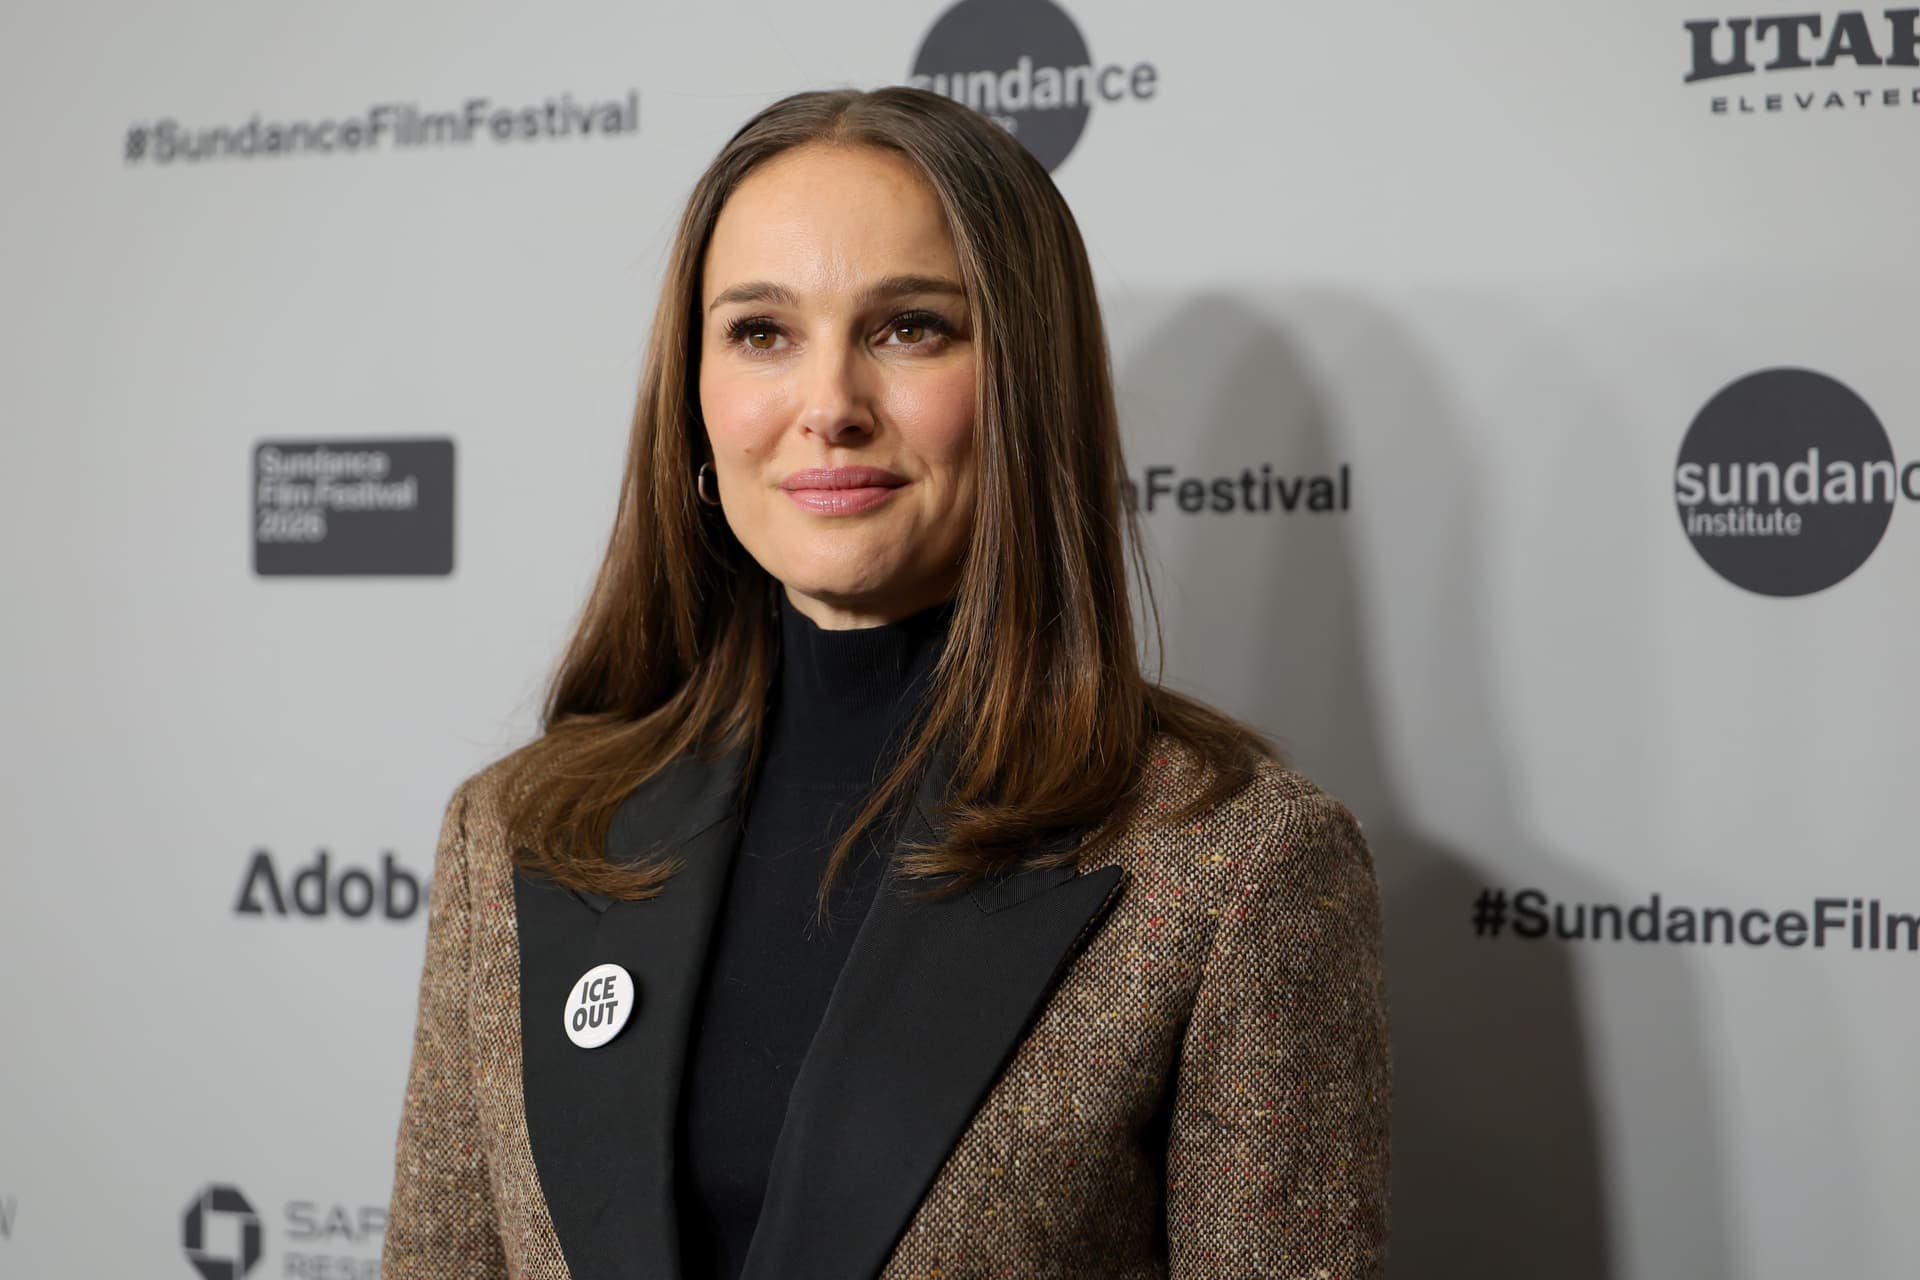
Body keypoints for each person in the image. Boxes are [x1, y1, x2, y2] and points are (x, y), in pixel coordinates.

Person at [382, 85, 1389, 1280]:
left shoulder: (1236, 866)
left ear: (1029, 383)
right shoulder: (517, 830)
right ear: (695, 402)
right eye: (762, 331)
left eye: (909, 326)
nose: (829, 408)